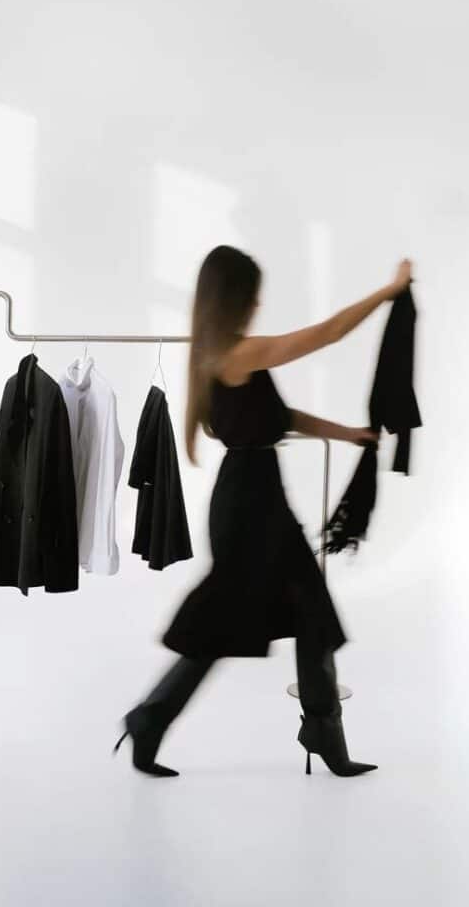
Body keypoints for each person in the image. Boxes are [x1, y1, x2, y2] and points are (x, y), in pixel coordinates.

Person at [114, 245, 413, 778]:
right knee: (228, 625)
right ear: (232, 299)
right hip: (249, 505)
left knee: (309, 615)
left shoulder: (221, 357)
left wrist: (347, 433)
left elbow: (278, 415)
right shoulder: (237, 354)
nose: (257, 306)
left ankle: (319, 732)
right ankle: (152, 718)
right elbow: (328, 334)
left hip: (257, 498)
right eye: (252, 297)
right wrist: (389, 291)